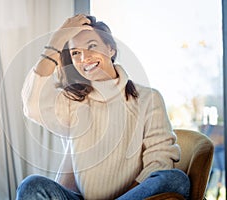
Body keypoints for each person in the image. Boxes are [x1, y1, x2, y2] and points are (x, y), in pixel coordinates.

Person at [17, 14, 190, 200]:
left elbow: (159, 160)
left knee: (175, 179)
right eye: (76, 53)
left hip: (131, 196)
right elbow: (32, 106)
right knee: (31, 186)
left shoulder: (149, 98)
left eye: (92, 46)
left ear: (111, 49)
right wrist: (56, 40)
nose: (85, 58)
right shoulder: (72, 101)